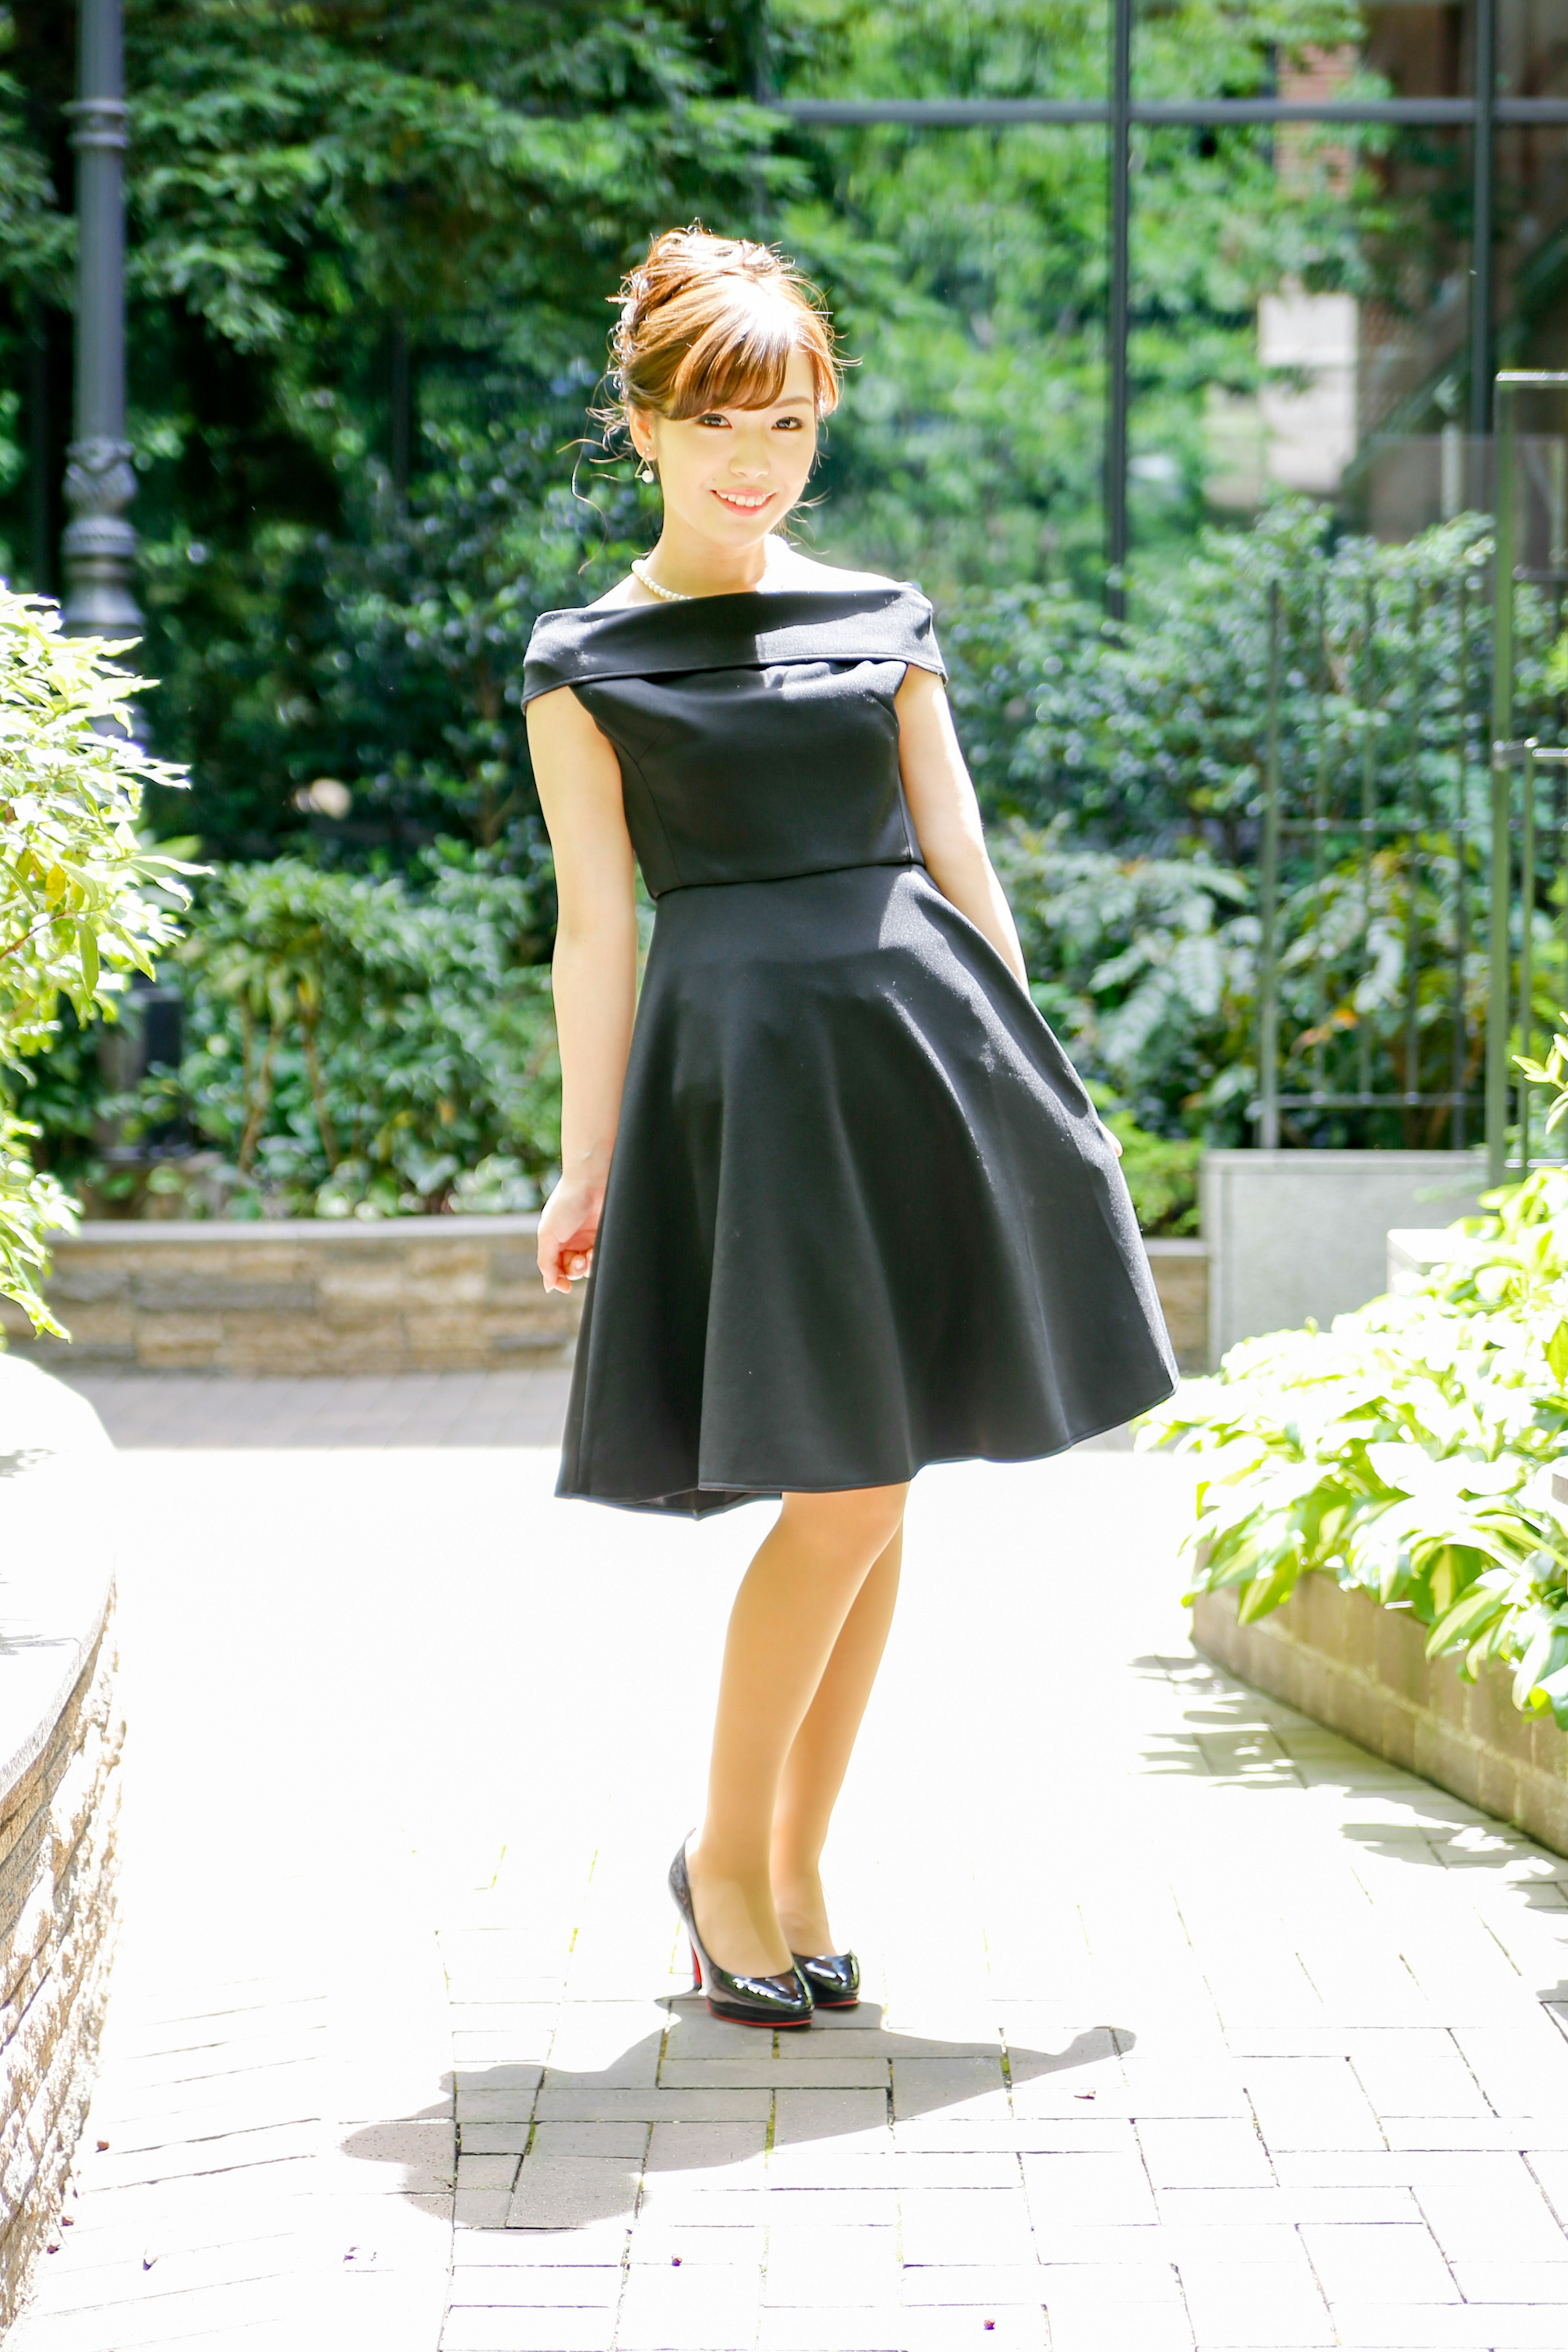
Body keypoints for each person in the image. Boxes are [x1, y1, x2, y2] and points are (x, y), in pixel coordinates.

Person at [523, 227, 1176, 2029]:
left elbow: (959, 859)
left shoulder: (881, 614)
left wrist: (1036, 1073)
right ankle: (722, 1860)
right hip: (745, 1079)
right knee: (846, 1484)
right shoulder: (584, 659)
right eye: (724, 421)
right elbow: (599, 926)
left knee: (879, 1494)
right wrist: (589, 1159)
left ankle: (792, 1859)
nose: (760, 461)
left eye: (794, 423)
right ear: (642, 422)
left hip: (913, 1050)